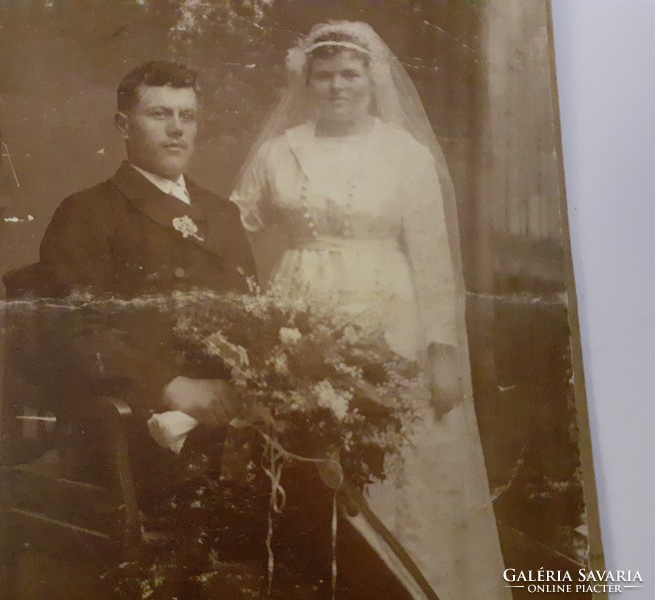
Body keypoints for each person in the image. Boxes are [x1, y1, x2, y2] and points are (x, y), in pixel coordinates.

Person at [231, 21, 510, 599]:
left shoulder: (404, 155)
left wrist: (440, 351)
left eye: (349, 75)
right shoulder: (280, 151)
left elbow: (433, 258)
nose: (337, 87)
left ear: (371, 79)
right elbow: (230, 228)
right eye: (324, 76)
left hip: (391, 316)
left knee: (394, 459)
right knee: (311, 453)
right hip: (300, 314)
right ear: (306, 83)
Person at [38, 61, 261, 597]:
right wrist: (171, 386)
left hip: (228, 420)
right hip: (137, 427)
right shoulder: (88, 213)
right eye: (160, 114)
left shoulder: (221, 213)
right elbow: (76, 335)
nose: (177, 129)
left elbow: (253, 318)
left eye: (188, 116)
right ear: (123, 125)